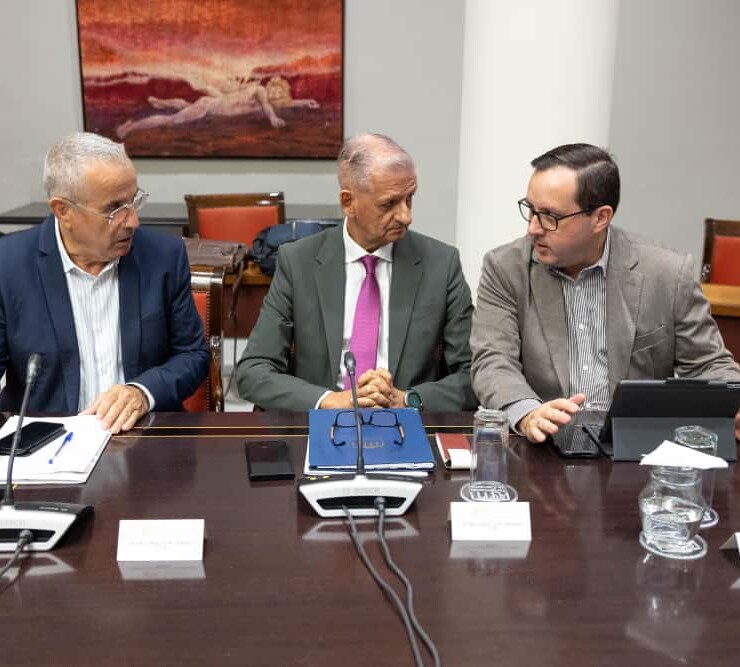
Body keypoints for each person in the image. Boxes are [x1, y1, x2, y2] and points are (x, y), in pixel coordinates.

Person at [470, 142, 740, 443]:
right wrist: (528, 413)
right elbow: (493, 360)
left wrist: (735, 401)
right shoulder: (506, 268)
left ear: (600, 217)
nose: (533, 228)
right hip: (544, 446)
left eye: (550, 216)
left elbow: (708, 364)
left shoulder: (667, 274)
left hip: (635, 447)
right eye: (531, 210)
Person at [237, 133, 477, 411]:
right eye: (388, 204)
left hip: (406, 420)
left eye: (409, 199)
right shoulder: (299, 262)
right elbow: (253, 371)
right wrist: (329, 400)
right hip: (325, 421)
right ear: (348, 202)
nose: (406, 216)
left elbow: (475, 374)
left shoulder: (441, 264)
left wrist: (408, 399)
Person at [0, 132, 209, 433]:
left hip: (142, 437)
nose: (133, 221)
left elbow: (193, 355)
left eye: (133, 201)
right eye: (114, 209)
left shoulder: (163, 256)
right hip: (47, 440)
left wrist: (142, 392)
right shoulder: (9, 265)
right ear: (63, 211)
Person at [116, 75, 319, 139]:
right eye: (274, 88)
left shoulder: (257, 94)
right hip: (209, 106)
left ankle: (161, 102)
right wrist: (273, 118)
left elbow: (282, 103)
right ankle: (131, 126)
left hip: (212, 104)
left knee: (186, 106)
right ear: (270, 87)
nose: (274, 93)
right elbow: (268, 106)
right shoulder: (259, 90)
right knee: (172, 121)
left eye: (279, 91)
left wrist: (305, 101)